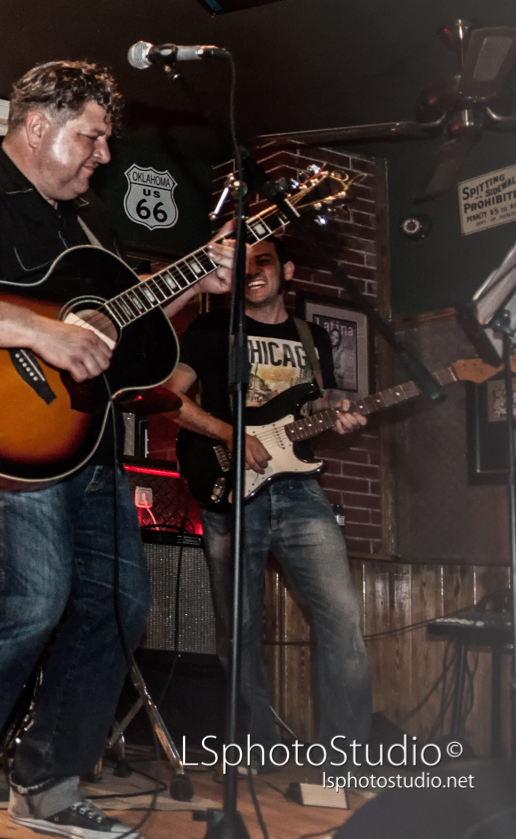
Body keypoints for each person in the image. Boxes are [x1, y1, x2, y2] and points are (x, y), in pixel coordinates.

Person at [0, 61, 234, 839]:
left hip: (90, 444)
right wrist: (43, 333)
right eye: (93, 138)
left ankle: (47, 786)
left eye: (105, 141)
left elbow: (128, 338)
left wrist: (196, 282)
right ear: (38, 126)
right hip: (10, 442)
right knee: (28, 600)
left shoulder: (88, 220)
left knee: (119, 607)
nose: (104, 156)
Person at [161, 238, 371, 757]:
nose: (253, 271)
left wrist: (340, 412)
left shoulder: (311, 336)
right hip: (232, 485)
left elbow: (315, 402)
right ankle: (254, 751)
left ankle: (346, 756)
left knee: (342, 615)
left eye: (265, 261)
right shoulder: (212, 328)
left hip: (300, 489)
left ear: (287, 270)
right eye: (244, 263)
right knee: (240, 627)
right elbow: (167, 397)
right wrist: (228, 434)